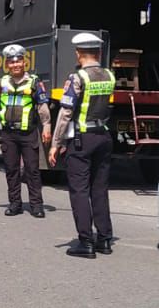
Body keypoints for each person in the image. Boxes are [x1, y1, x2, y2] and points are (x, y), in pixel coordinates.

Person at [49, 31, 115, 258]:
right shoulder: (109, 75)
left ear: (78, 54)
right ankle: (104, 239)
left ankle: (85, 242)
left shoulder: (78, 78)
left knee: (79, 190)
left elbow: (65, 113)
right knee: (99, 189)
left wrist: (56, 143)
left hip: (82, 139)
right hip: (103, 136)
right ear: (99, 53)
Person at [0, 44, 52, 218]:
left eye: (18, 61)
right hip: (9, 134)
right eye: (12, 62)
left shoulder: (34, 82)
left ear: (24, 62)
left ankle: (36, 205)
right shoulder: (2, 83)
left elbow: (42, 107)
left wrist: (46, 127)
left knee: (32, 170)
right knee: (11, 170)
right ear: (7, 65)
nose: (16, 65)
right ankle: (15, 204)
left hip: (28, 133)